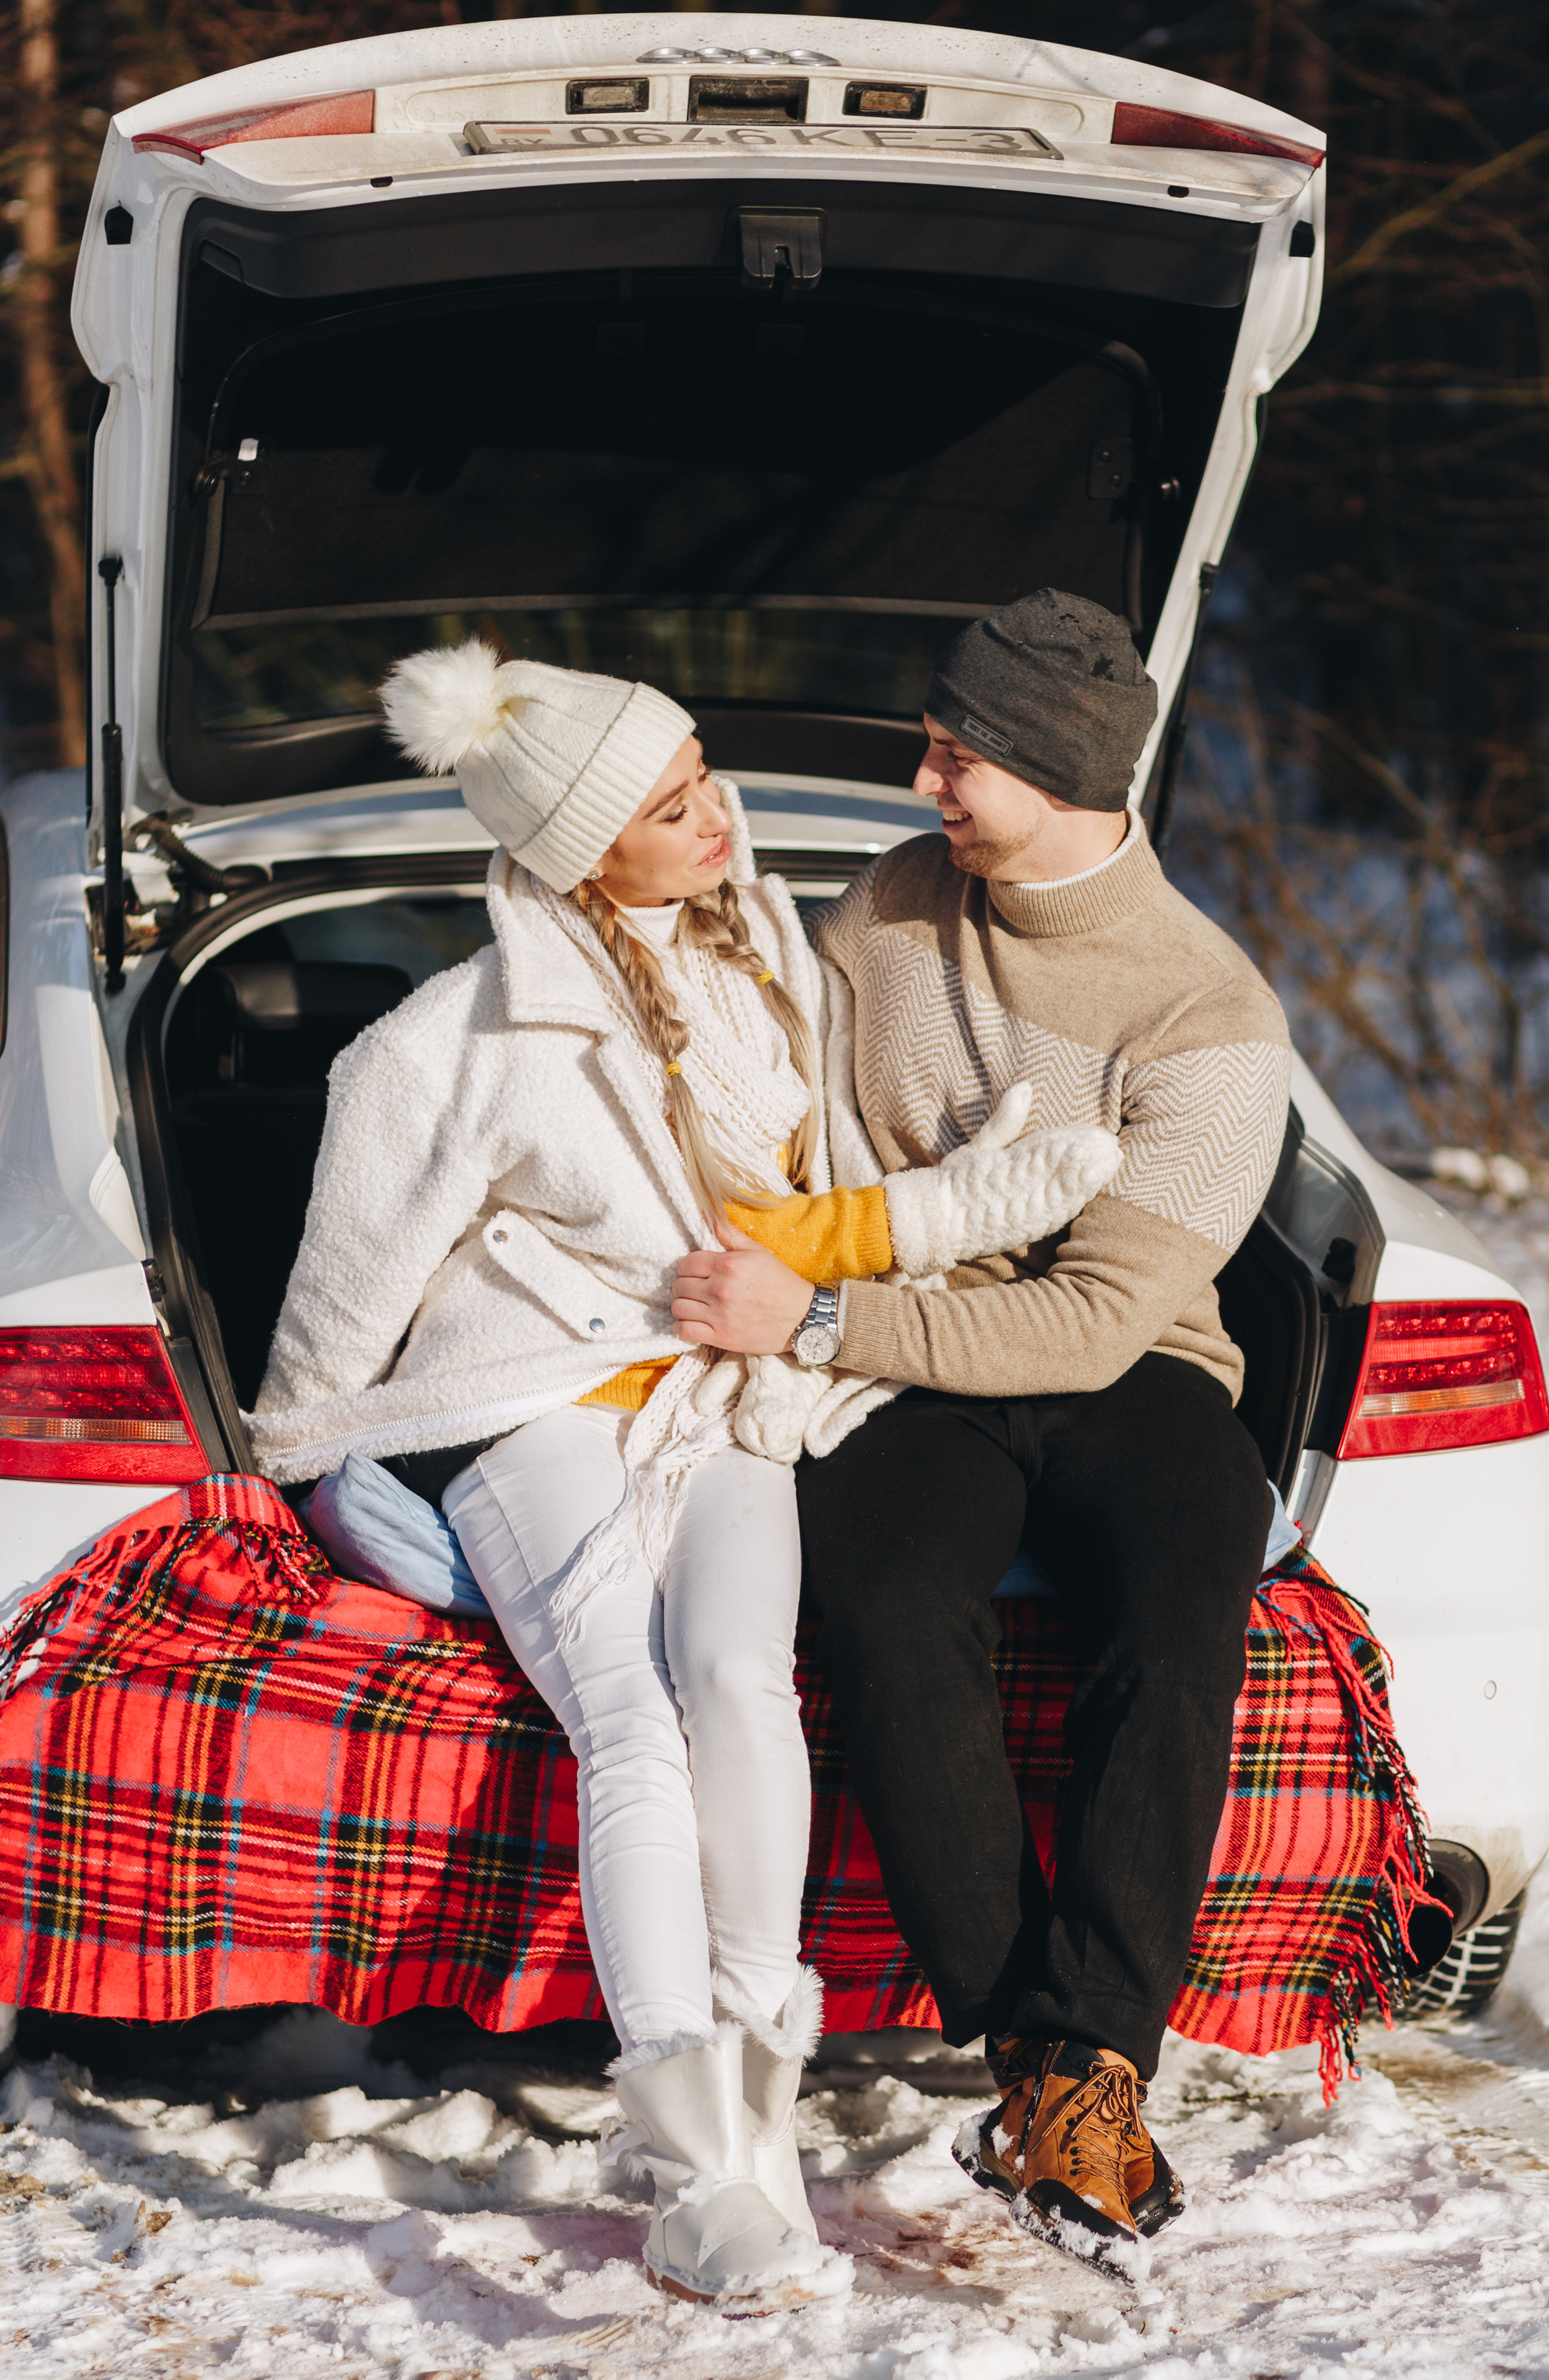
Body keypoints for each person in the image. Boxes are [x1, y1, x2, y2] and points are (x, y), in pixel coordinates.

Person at [249, 640, 1119, 2310]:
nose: (714, 810)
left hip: (733, 1397)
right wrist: (301, 1470)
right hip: (536, 1405)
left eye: (702, 768)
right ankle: (685, 2147)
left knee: (740, 1684)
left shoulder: (768, 958)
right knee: (630, 1713)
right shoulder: (448, 1042)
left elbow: (834, 1175)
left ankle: (750, 2122)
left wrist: (962, 1201)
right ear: (578, 850)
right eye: (668, 805)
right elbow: (344, 1297)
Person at [669, 588, 1291, 2267]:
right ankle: (1039, 2056)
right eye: (938, 738)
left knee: (1176, 1615)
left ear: (1063, 765)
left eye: (959, 747)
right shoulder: (885, 913)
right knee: (877, 1605)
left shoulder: (1208, 1018)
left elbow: (1095, 1317)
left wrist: (812, 1316)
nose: (928, 769)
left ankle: (1095, 2053)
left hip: (1131, 1365)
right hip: (915, 1367)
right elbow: (778, 1107)